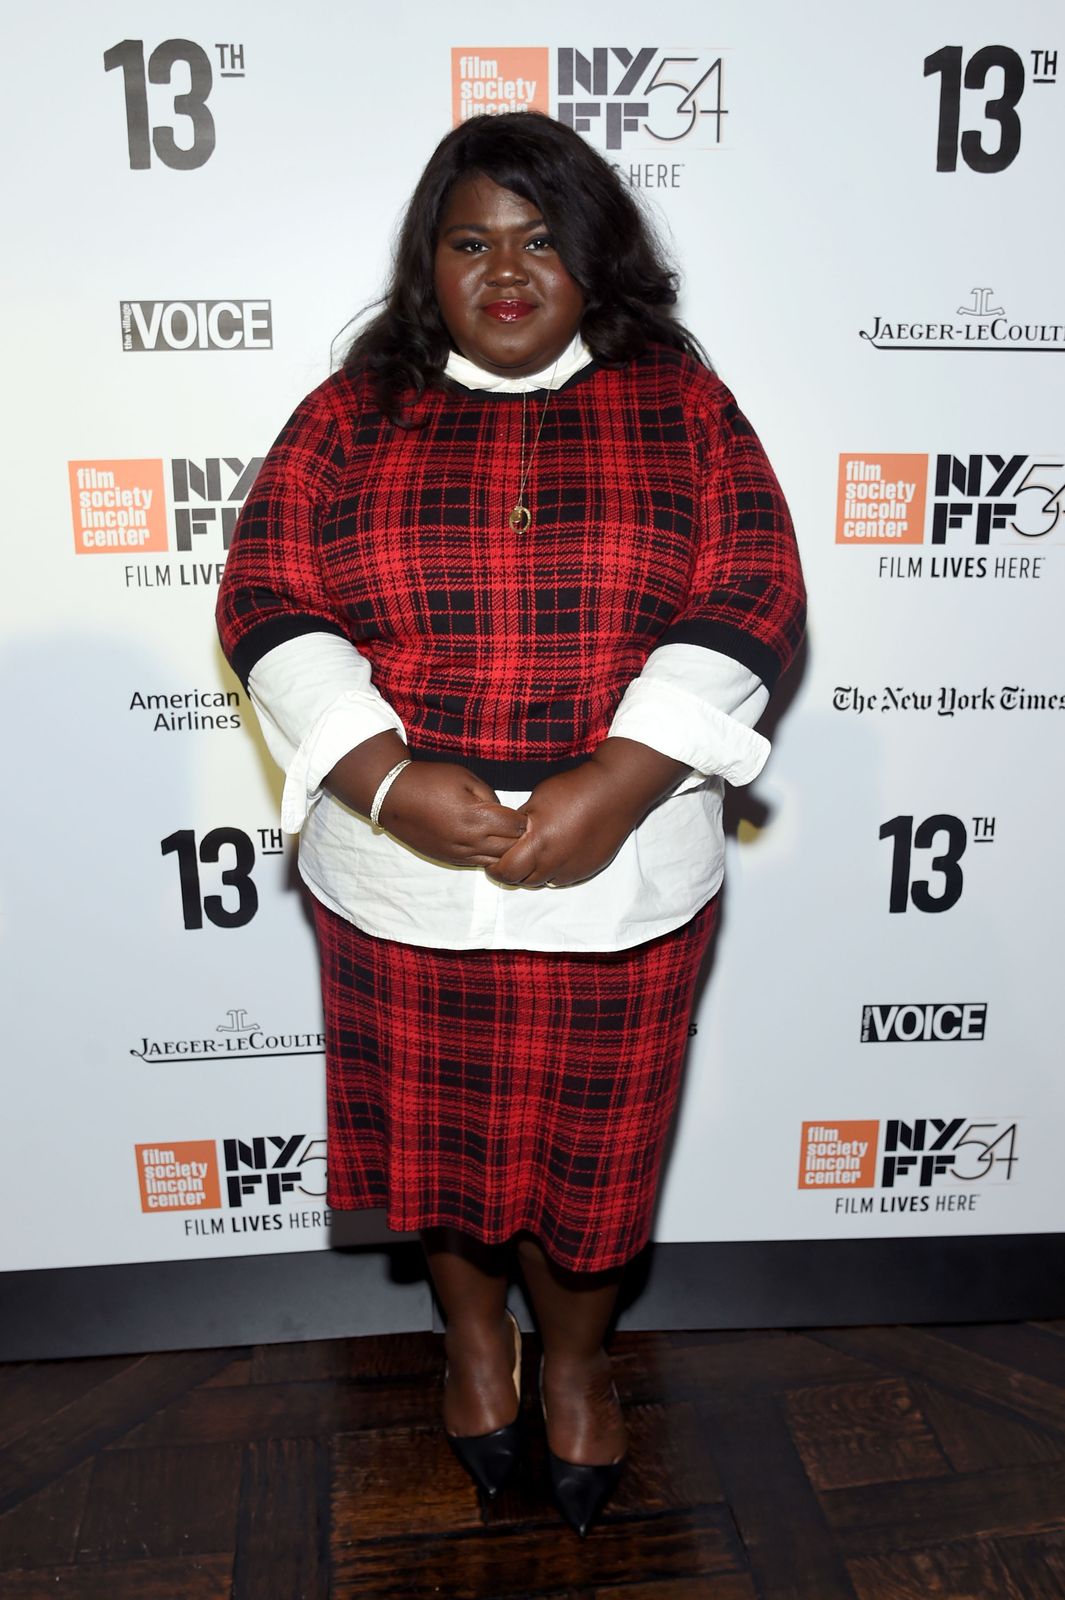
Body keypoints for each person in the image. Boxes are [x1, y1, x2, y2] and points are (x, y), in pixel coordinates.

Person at [216, 110, 805, 1536]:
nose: (505, 271)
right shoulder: (348, 413)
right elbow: (267, 598)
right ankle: (475, 1347)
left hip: (622, 875)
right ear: (429, 263)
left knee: (595, 1159)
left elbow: (750, 594)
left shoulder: (681, 405)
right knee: (440, 1150)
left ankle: (582, 1368)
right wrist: (378, 770)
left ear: (593, 255)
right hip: (401, 875)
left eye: (539, 239)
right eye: (470, 240)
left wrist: (616, 780)